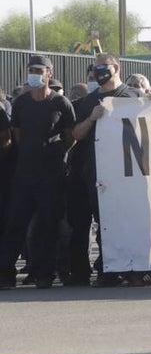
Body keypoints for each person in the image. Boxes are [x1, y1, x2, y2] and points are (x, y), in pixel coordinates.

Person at [0, 55, 75, 288]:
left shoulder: (61, 103)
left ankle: (45, 273)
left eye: (38, 70)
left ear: (48, 74)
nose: (34, 73)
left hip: (50, 176)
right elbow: (16, 135)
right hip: (24, 175)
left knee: (48, 225)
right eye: (31, 69)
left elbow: (71, 136)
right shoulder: (21, 102)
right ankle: (5, 274)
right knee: (16, 225)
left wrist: (55, 152)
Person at [70, 53, 139, 287]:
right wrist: (91, 119)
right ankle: (107, 269)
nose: (99, 72)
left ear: (116, 67)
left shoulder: (132, 96)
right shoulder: (89, 101)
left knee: (128, 220)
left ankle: (132, 268)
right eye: (95, 68)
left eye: (103, 67)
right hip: (97, 173)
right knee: (104, 223)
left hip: (128, 172)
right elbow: (76, 134)